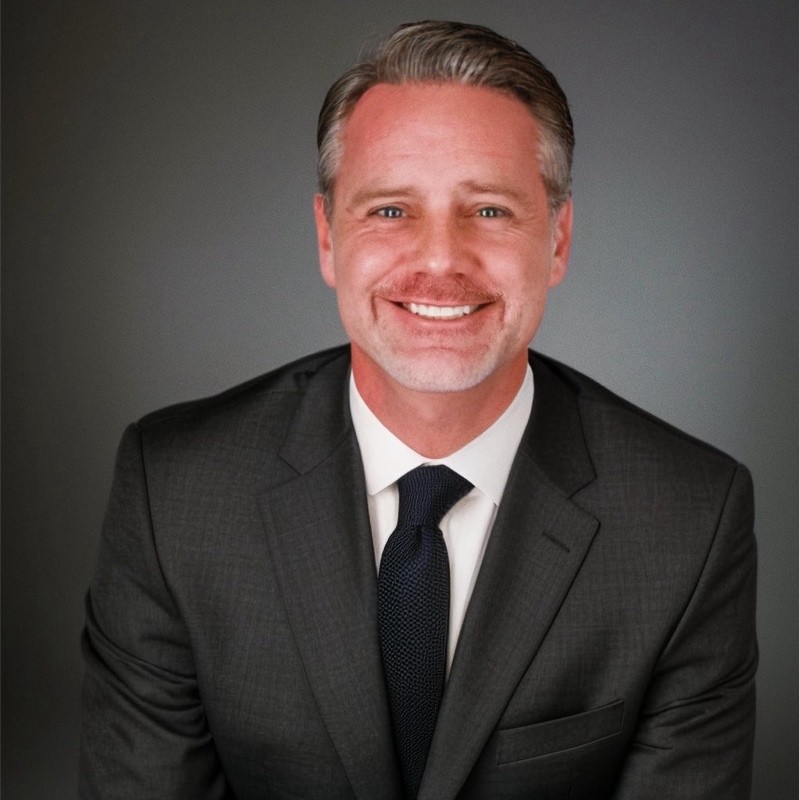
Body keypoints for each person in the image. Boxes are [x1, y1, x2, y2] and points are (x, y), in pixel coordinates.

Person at [79, 20, 757, 800]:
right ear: (328, 237)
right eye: (392, 210)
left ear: (560, 239)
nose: (440, 259)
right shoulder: (174, 492)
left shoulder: (690, 521)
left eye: (492, 210)